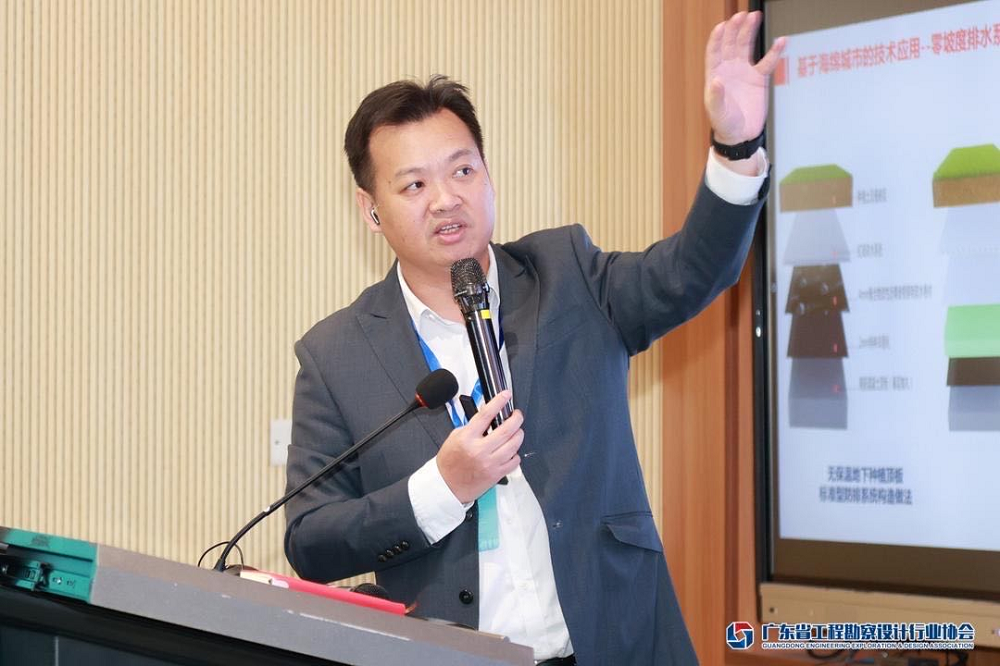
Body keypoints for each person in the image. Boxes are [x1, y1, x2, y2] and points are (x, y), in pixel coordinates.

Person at [284, 11, 785, 665]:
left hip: (615, 647)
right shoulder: (336, 356)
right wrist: (443, 486)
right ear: (370, 209)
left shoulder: (568, 275)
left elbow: (692, 271)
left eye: (463, 171)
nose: (446, 199)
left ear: (488, 173)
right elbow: (311, 540)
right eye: (414, 184)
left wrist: (736, 148)